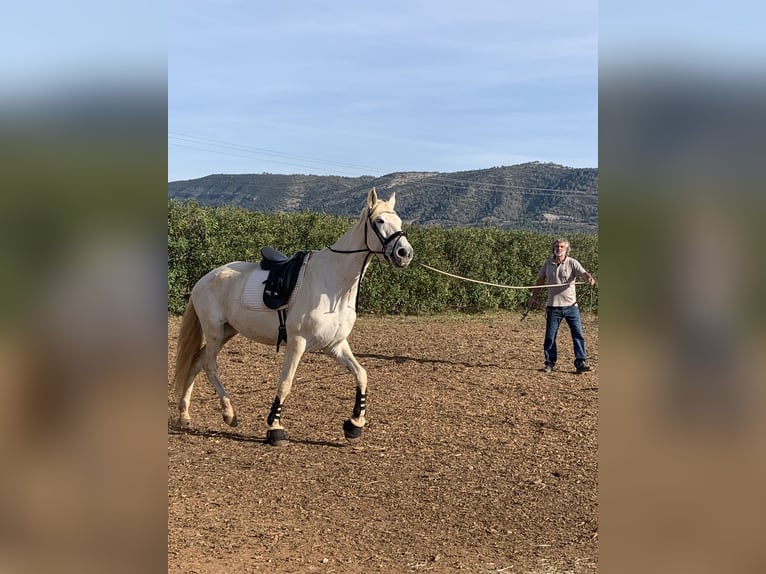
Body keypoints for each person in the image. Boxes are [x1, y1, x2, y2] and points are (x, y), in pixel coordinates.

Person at [527, 238, 596, 374]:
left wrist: (589, 278)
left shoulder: (572, 262)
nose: (559, 249)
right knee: (550, 336)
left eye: (562, 247)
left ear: (566, 249)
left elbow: (583, 273)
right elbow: (540, 280)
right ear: (553, 248)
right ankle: (550, 363)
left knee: (578, 334)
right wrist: (533, 297)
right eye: (557, 247)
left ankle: (580, 362)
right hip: (553, 307)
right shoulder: (548, 263)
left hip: (571, 307)